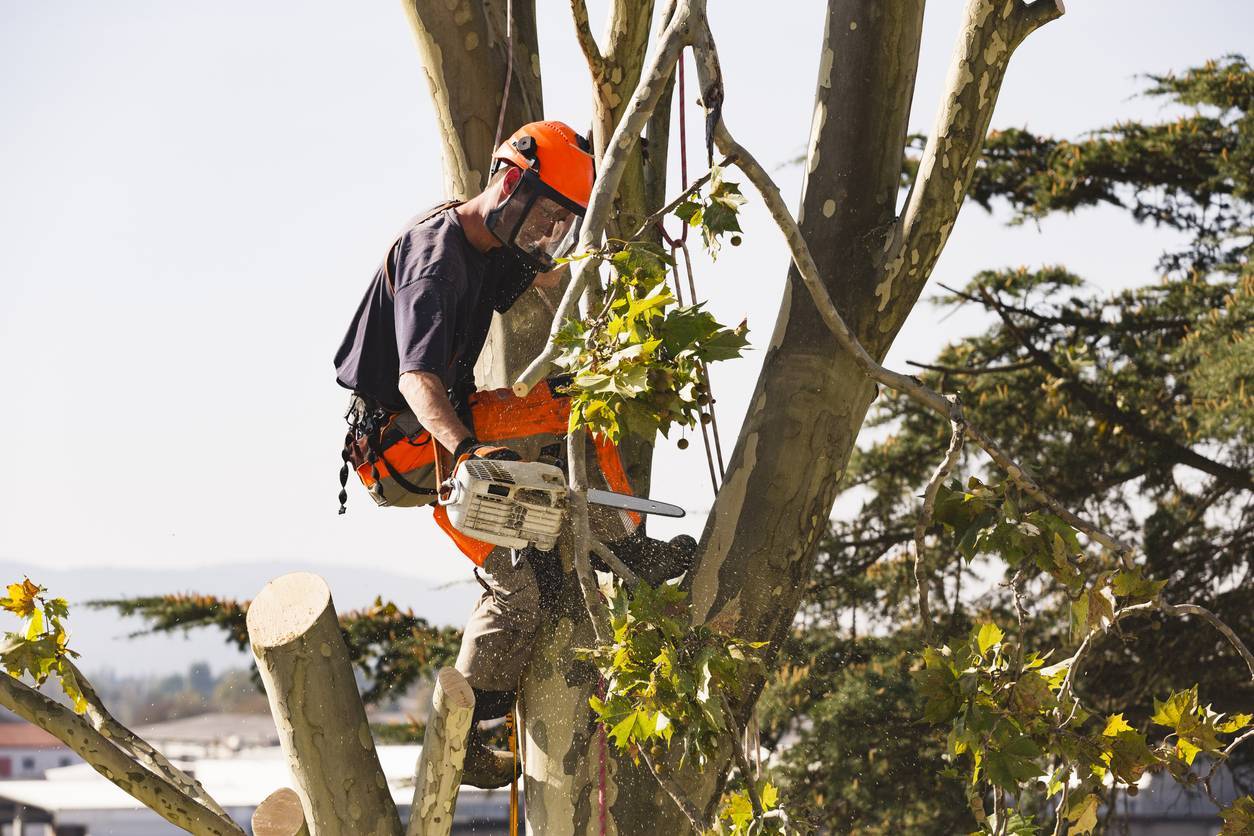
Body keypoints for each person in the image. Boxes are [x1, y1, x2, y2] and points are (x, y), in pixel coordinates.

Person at [333, 120, 695, 787]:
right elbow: (417, 378)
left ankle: (620, 546)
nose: (548, 232)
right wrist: (469, 449)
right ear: (510, 183)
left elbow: (543, 280)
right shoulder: (435, 260)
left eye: (563, 222)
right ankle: (618, 550)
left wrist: (623, 330)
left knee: (529, 566)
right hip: (403, 443)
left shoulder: (491, 245)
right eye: (548, 215)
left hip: (443, 429)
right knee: (530, 547)